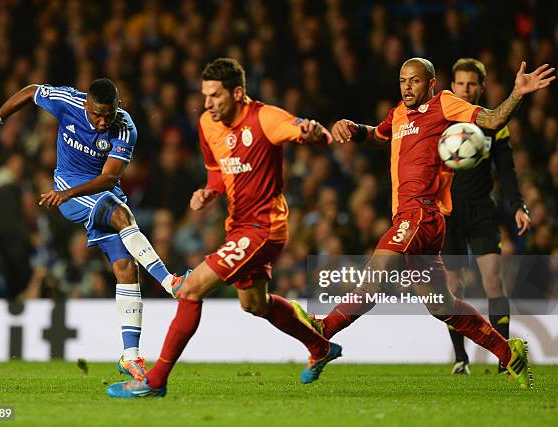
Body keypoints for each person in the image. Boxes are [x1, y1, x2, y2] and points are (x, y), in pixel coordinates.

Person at [291, 57, 554, 389]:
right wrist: (356, 130)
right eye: (402, 80)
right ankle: (509, 352)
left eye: (414, 81)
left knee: (374, 278)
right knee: (443, 305)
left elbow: (492, 119)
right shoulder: (399, 113)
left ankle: (322, 332)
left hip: (420, 214)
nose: (406, 87)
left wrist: (517, 93)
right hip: (417, 220)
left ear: (430, 83)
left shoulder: (444, 103)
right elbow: (380, 136)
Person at [106, 58, 340, 398]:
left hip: (265, 227)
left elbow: (317, 136)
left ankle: (154, 381)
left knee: (190, 289)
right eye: (205, 95)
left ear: (238, 92)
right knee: (254, 304)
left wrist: (315, 134)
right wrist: (209, 192)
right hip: (239, 227)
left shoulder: (265, 118)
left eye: (215, 95)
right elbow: (216, 169)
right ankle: (320, 347)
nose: (207, 103)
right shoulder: (207, 123)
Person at [0, 78, 187, 382]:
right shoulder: (67, 102)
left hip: (99, 191)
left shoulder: (124, 127)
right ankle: (169, 282)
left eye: (108, 114)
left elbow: (109, 179)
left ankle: (130, 356)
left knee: (125, 267)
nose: (102, 121)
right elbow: (31, 92)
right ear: (86, 104)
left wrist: (70, 193)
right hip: (69, 188)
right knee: (121, 215)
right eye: (97, 114)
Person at [443, 58, 531, 375]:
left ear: (482, 87)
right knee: (453, 288)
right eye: (460, 84)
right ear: (452, 86)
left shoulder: (494, 122)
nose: (465, 90)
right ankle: (460, 358)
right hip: (447, 211)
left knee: (494, 280)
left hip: (481, 208)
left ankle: (506, 359)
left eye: (471, 84)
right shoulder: (441, 121)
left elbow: (506, 170)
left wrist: (520, 205)